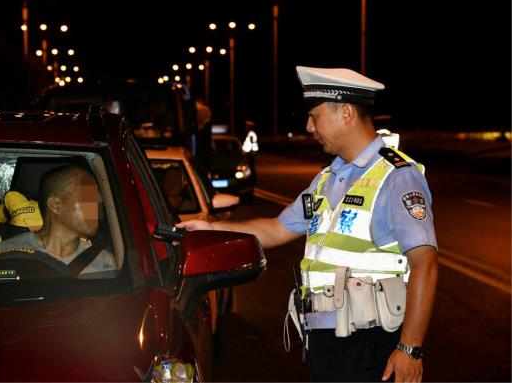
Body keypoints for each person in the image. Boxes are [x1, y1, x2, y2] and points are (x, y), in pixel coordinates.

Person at [177, 66, 438, 382]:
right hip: (327, 341)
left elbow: (425, 263)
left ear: (345, 112)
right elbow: (276, 228)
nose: (308, 126)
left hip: (369, 343)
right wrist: (212, 229)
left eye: (314, 116)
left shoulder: (396, 177)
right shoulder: (329, 178)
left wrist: (410, 348)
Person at [0, 164, 115, 274]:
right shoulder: (5, 256)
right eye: (88, 196)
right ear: (55, 206)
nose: (99, 202)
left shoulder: (104, 262)